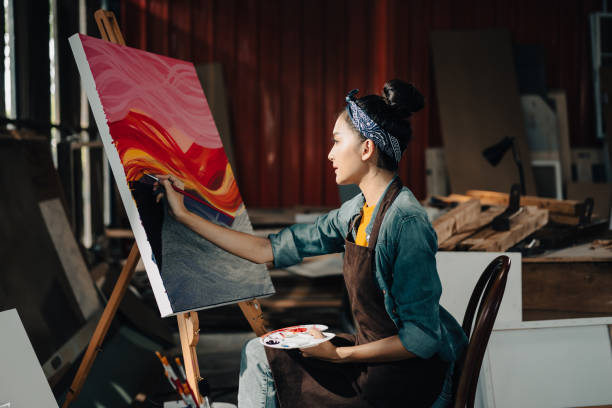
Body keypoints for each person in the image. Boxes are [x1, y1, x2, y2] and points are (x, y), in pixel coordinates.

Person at [157, 79, 468, 408]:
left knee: (270, 364)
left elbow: (421, 339)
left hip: (412, 381)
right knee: (259, 352)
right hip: (374, 361)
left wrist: (339, 354)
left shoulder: (406, 223)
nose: (330, 154)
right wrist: (187, 216)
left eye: (337, 141)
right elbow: (268, 250)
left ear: (367, 149)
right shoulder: (356, 212)